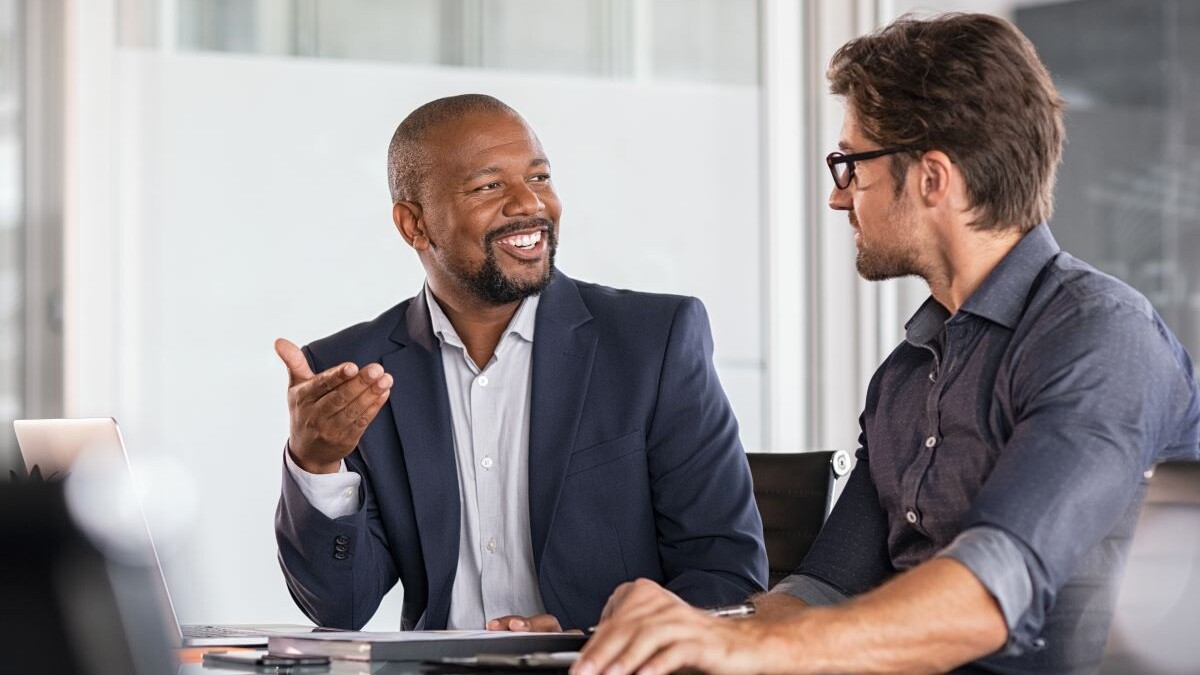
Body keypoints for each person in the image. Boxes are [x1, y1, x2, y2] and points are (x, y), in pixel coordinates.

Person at [574, 13, 1200, 675]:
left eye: (851, 165)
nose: (837, 197)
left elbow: (990, 592)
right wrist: (671, 631)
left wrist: (747, 647)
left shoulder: (1100, 336)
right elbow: (820, 593)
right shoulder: (905, 376)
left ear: (932, 177)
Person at [272, 94, 767, 632]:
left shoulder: (653, 343)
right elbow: (340, 608)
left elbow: (726, 577)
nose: (529, 204)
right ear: (414, 225)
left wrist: (591, 640)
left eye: (539, 177)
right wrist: (316, 465)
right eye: (489, 186)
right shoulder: (353, 373)